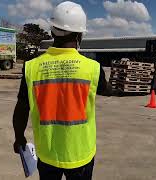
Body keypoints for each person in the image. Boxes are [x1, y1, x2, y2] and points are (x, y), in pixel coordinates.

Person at [12, 1, 111, 180]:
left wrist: (19, 138)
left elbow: (21, 108)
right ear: (80, 34)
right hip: (81, 154)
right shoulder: (93, 68)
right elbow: (108, 91)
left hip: (48, 153)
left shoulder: (31, 67)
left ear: (52, 32)